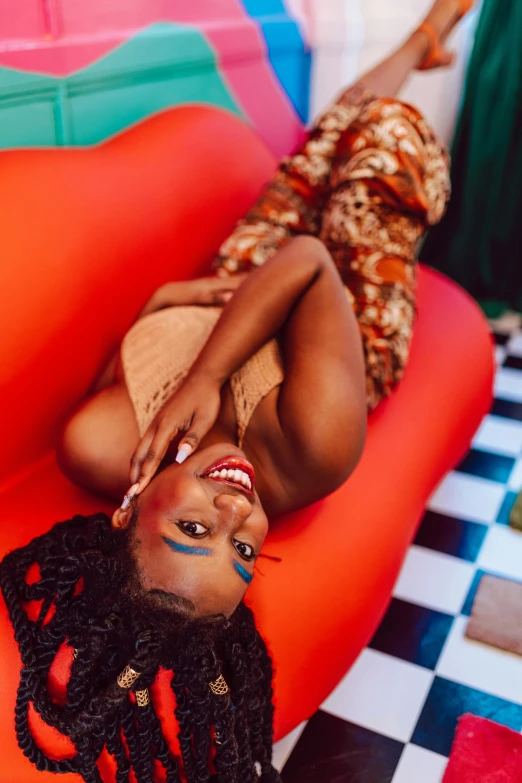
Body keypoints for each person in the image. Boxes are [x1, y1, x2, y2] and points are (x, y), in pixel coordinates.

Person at [0, 2, 471, 780]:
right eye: (245, 549)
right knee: (383, 135)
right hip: (347, 311)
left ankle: (415, 49)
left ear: (128, 508)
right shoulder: (316, 446)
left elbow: (164, 337)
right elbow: (311, 261)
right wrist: (209, 368)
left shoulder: (99, 442)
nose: (234, 513)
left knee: (319, 146)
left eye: (192, 528)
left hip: (233, 296)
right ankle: (425, 44)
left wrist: (183, 318)